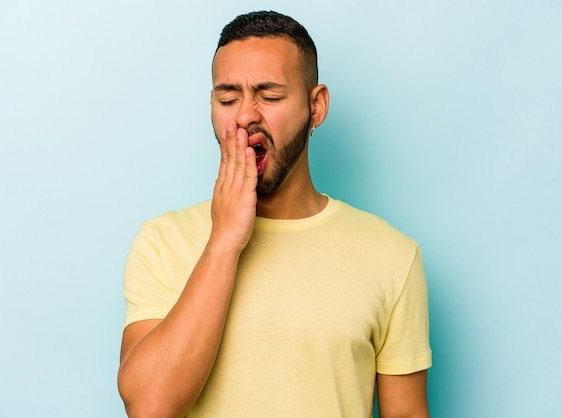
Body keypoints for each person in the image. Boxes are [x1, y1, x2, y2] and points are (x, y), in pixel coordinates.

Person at [117, 10, 431, 418]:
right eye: (228, 98)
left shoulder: (393, 256)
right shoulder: (160, 243)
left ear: (316, 107)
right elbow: (148, 407)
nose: (245, 115)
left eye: (270, 96)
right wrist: (224, 242)